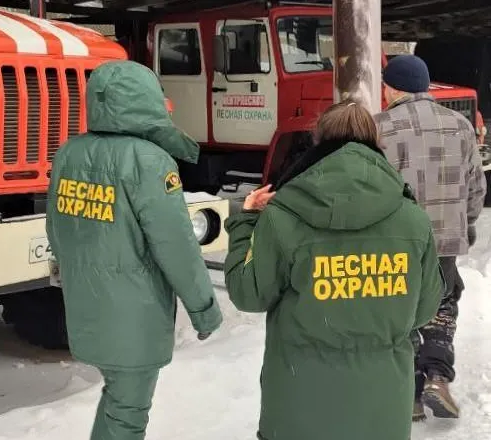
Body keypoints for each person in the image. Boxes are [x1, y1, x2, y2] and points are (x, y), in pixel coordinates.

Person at [224, 101, 444, 440]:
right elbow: (425, 308)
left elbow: (247, 292)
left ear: (318, 142)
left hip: (300, 407)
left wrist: (245, 223)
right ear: (376, 142)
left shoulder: (283, 217)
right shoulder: (412, 219)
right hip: (381, 409)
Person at [45, 60, 223, 440]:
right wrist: (204, 310)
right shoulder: (149, 161)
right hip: (135, 313)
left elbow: (58, 231)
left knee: (118, 403)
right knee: (128, 413)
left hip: (89, 305)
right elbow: (176, 245)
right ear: (146, 101)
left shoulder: (69, 155)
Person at [375, 54, 487, 420]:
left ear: (391, 88)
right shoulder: (460, 126)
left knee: (400, 307)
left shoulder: (379, 128)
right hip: (443, 237)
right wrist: (465, 225)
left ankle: (409, 388)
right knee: (443, 301)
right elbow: (475, 186)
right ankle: (437, 374)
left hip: (395, 239)